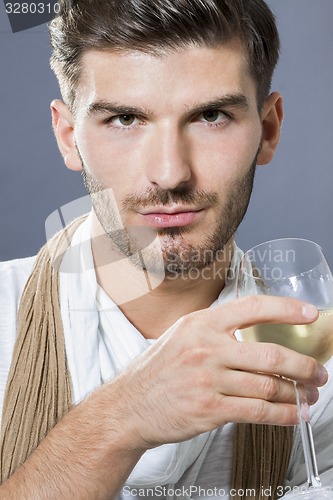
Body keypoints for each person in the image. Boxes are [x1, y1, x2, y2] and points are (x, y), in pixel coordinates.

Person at [0, 0, 332, 498]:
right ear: (69, 137)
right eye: (125, 119)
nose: (171, 173)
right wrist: (121, 417)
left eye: (211, 116)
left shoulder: (319, 348)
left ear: (269, 129)